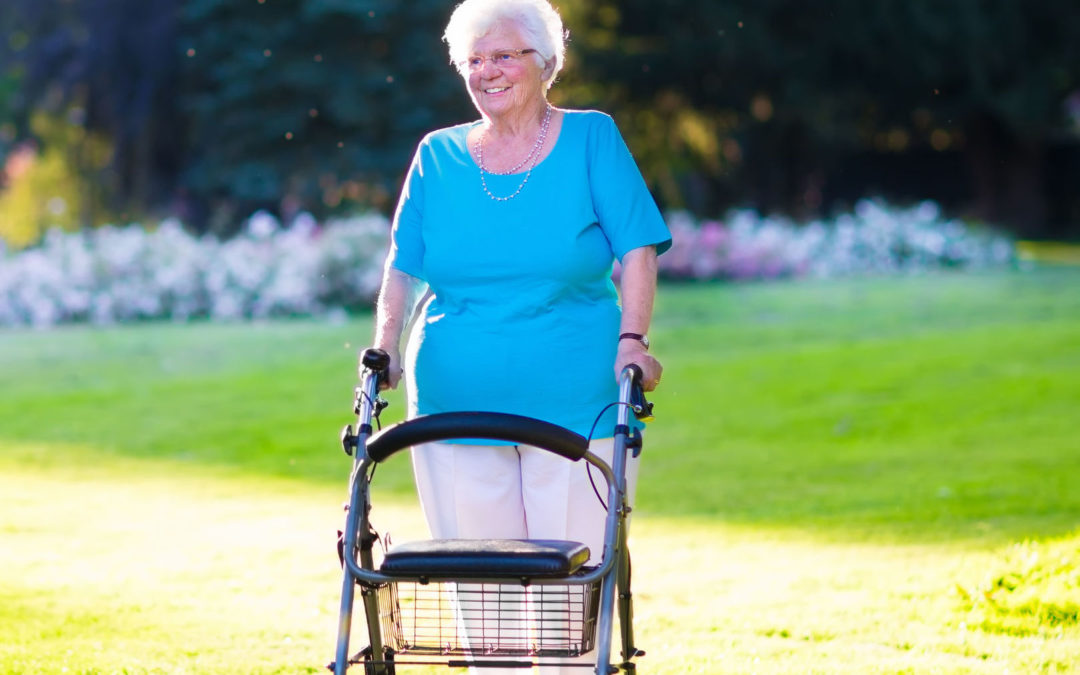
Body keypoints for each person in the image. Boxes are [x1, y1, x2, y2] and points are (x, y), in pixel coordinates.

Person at [367, 0, 670, 670]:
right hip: (452, 402)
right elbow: (401, 269)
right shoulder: (437, 156)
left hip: (575, 398)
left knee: (568, 597)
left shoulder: (592, 138)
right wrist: (384, 347)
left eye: (504, 55)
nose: (487, 71)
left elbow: (639, 249)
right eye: (474, 59)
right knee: (483, 596)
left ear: (545, 61)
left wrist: (633, 341)